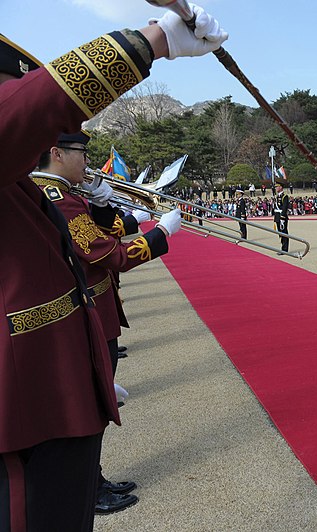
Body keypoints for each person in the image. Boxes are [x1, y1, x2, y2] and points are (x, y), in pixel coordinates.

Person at [0, 6, 227, 530]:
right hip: (26, 398)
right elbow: (100, 257)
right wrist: (150, 41)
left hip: (50, 383)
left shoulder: (28, 188)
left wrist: (87, 365)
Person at [34, 131, 183, 515]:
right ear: (56, 153)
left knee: (94, 409)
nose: (86, 161)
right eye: (81, 153)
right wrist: (161, 234)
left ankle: (93, 480)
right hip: (87, 312)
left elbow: (97, 235)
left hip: (96, 308)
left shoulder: (66, 195)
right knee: (89, 411)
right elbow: (106, 254)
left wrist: (104, 209)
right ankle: (88, 490)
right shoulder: (57, 199)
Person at [273, 178, 290, 252]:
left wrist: (282, 218)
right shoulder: (278, 196)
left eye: (277, 186)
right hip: (277, 216)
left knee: (284, 233)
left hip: (282, 217)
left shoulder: (284, 196)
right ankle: (282, 247)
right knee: (280, 233)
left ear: (281, 187)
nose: (276, 188)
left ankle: (285, 249)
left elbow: (284, 208)